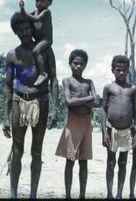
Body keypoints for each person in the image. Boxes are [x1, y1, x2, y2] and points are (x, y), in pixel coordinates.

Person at [2, 12, 59, 199]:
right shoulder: (12, 54)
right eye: (21, 30)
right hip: (19, 100)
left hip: (40, 101)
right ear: (15, 32)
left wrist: (55, 108)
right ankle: (13, 194)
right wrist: (5, 116)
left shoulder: (44, 50)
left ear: (32, 28)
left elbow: (53, 80)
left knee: (37, 150)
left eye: (27, 28)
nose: (25, 33)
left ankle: (33, 194)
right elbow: (8, 86)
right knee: (17, 149)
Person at [55, 49, 98, 199]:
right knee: (70, 160)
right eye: (75, 63)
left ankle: (82, 195)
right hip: (73, 123)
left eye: (81, 64)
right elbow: (68, 102)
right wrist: (87, 99)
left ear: (85, 66)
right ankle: (68, 195)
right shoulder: (67, 81)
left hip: (86, 122)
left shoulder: (89, 82)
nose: (78, 66)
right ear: (70, 64)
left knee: (84, 161)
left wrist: (81, 101)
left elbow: (97, 102)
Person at [101, 55, 136, 199]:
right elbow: (103, 109)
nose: (121, 73)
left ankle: (119, 194)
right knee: (111, 162)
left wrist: (135, 132)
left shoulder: (133, 89)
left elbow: (135, 111)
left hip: (127, 130)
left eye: (124, 70)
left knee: (123, 162)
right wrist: (104, 132)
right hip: (112, 130)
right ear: (113, 70)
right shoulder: (109, 87)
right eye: (118, 70)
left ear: (128, 70)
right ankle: (110, 193)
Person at [19, 0, 54, 87]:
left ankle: (42, 73)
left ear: (49, 2)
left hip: (46, 40)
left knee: (35, 51)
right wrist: (21, 10)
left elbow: (36, 19)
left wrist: (23, 11)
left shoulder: (46, 12)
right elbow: (26, 16)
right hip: (38, 40)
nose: (39, 3)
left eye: (42, 1)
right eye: (37, 0)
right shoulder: (35, 11)